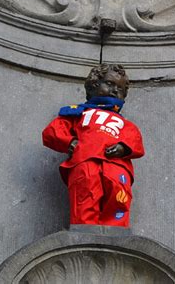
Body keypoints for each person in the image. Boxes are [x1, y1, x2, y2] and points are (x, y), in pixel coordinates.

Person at [42, 64, 144, 227]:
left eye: (120, 88)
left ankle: (115, 234)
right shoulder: (78, 113)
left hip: (116, 166)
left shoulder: (124, 123)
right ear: (93, 85)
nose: (114, 90)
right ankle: (84, 230)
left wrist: (123, 148)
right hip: (85, 162)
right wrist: (69, 142)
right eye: (110, 84)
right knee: (85, 198)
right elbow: (53, 131)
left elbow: (135, 139)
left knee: (118, 199)